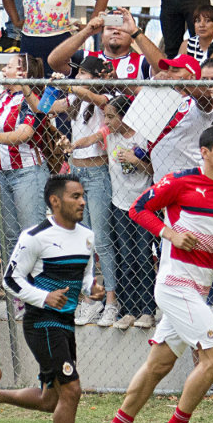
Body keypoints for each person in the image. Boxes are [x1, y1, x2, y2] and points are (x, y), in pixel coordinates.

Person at [92, 125, 213, 423]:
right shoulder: (180, 181)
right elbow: (138, 209)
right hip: (174, 285)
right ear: (205, 153)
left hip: (199, 290)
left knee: (158, 366)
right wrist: (169, 233)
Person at [0, 175, 102, 423]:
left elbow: (85, 277)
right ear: (55, 201)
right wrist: (44, 297)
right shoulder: (35, 237)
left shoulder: (87, 236)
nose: (82, 201)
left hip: (65, 323)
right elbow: (10, 279)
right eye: (75, 196)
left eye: (82, 195)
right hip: (42, 322)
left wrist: (91, 289)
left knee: (50, 400)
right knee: (72, 390)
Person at [78, 95, 155, 330]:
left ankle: (147, 310)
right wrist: (72, 146)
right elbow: (89, 139)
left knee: (143, 256)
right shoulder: (110, 135)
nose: (107, 121)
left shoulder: (143, 136)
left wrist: (135, 160)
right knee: (126, 257)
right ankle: (129, 309)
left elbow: (154, 169)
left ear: (125, 116)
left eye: (111, 117)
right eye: (106, 117)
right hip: (120, 205)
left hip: (142, 204)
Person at [54, 56, 116, 326]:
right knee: (85, 240)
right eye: (77, 73)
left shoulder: (105, 96)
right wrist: (37, 88)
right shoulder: (74, 98)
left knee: (102, 240)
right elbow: (45, 107)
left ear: (96, 76)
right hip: (77, 174)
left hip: (97, 173)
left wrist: (69, 85)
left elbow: (93, 96)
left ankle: (112, 301)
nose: (78, 77)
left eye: (83, 73)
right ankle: (92, 299)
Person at [0, 54, 48, 261]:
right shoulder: (2, 97)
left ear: (23, 73)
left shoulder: (32, 100)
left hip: (27, 173)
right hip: (2, 172)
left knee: (31, 233)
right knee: (9, 235)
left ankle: (37, 279)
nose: (3, 70)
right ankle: (13, 279)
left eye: (9, 66)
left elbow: (25, 133)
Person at [147, 54, 213, 182]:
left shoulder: (196, 102)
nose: (168, 74)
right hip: (161, 183)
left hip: (190, 181)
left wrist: (185, 84)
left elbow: (205, 98)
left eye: (175, 71)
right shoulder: (162, 98)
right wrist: (153, 81)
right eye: (168, 70)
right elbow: (134, 89)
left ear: (191, 77)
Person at [47, 8, 166, 83]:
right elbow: (54, 61)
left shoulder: (142, 62)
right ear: (102, 36)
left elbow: (163, 69)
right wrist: (87, 31)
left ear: (132, 38)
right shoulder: (86, 57)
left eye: (123, 29)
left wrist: (135, 31)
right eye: (110, 28)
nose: (116, 31)